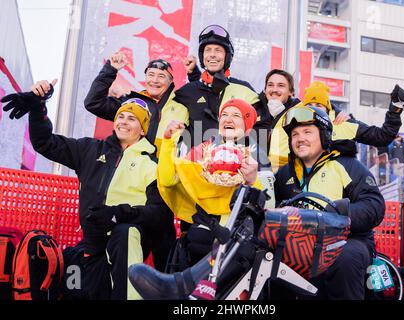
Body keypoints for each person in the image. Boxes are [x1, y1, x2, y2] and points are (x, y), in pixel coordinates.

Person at [2, 80, 176, 300]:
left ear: (142, 129)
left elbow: (159, 214)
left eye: (132, 119)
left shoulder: (152, 165)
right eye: (121, 116)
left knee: (125, 232)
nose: (123, 122)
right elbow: (45, 143)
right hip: (92, 242)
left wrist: (118, 214)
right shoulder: (91, 150)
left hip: (127, 243)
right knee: (82, 283)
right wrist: (38, 108)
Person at [274, 104, 385, 299]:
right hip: (300, 244)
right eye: (295, 134)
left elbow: (374, 205)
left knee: (343, 258)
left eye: (308, 132)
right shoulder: (284, 174)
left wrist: (337, 214)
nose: (300, 139)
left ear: (324, 136)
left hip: (347, 239)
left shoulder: (347, 165)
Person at [157, 98, 265, 269]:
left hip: (235, 240)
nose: (228, 119)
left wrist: (252, 180)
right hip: (201, 232)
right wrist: (168, 141)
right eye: (224, 115)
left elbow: (265, 205)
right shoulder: (203, 151)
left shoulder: (257, 157)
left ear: (247, 127)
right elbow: (168, 180)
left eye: (236, 115)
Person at [267, 80, 404, 172]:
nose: (313, 108)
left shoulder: (343, 124)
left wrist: (396, 108)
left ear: (328, 108)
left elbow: (382, 137)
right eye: (309, 105)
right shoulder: (293, 126)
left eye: (319, 105)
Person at [172, 25, 261, 148]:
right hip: (192, 164)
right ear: (202, 56)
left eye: (218, 50)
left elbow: (261, 129)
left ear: (227, 56)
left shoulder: (244, 89)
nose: (212, 55)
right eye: (208, 50)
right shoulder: (189, 90)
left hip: (231, 163)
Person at [84, 52, 187, 157]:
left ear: (170, 82)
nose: (155, 80)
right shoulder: (131, 103)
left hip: (164, 171)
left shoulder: (183, 109)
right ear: (145, 78)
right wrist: (110, 69)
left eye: (161, 76)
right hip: (130, 169)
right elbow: (94, 103)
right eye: (151, 75)